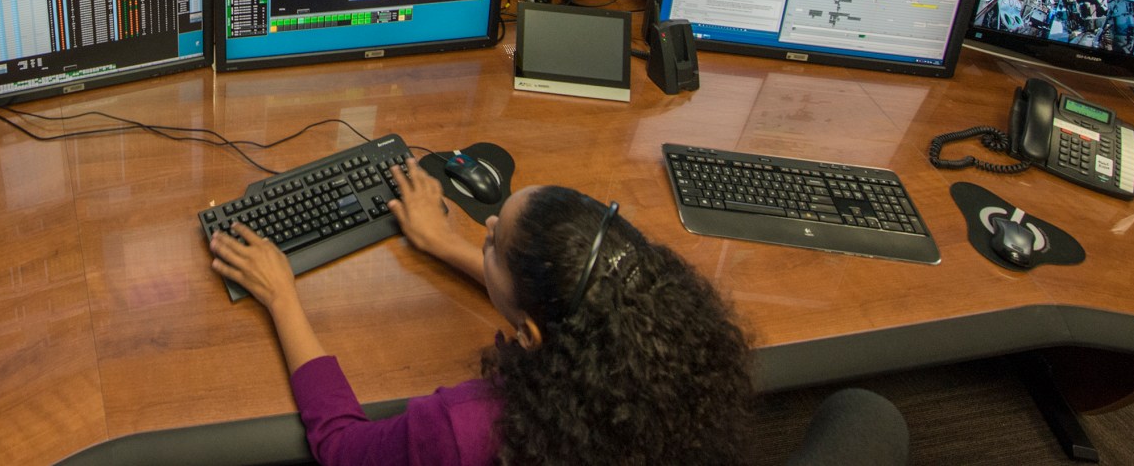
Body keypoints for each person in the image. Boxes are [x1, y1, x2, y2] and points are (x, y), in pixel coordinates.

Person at [210, 169, 752, 466]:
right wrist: (446, 244)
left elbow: (343, 448)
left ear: (532, 335)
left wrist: (281, 296)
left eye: (492, 241)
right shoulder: (677, 357)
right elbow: (563, 301)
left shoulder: (472, 429)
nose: (487, 222)